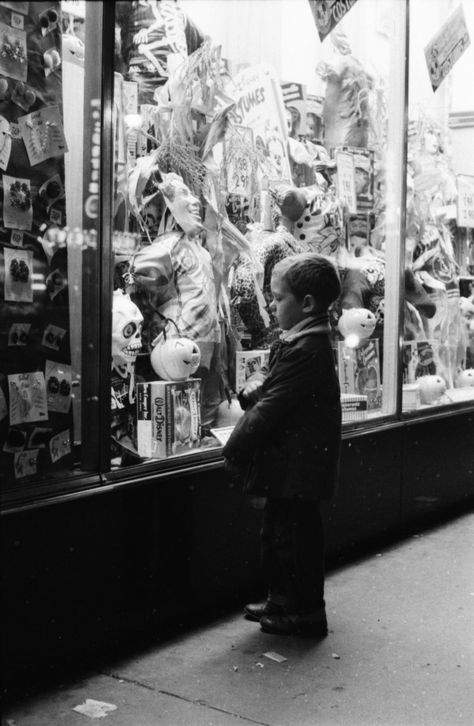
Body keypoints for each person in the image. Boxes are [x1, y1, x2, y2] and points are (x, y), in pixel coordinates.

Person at [223, 252, 342, 635]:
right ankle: (281, 599)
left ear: (306, 304)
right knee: (276, 536)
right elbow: (270, 373)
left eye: (277, 299)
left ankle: (304, 612)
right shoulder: (297, 341)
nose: (272, 307)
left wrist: (234, 449)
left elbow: (269, 409)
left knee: (295, 541)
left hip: (299, 468)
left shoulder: (308, 350)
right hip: (287, 466)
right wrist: (256, 381)